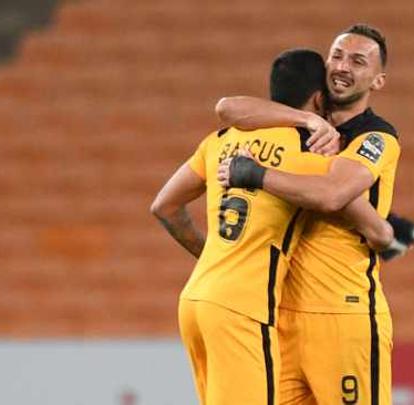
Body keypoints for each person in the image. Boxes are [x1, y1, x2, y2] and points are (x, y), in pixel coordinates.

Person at [151, 49, 393, 405]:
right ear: (318, 98)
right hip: (245, 308)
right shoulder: (308, 153)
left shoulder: (222, 140)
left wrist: (217, 258)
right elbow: (372, 227)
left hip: (196, 298)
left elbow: (164, 206)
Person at [218, 23, 411, 405]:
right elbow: (227, 108)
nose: (343, 66)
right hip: (283, 316)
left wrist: (257, 174)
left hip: (342, 312)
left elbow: (332, 194)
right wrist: (307, 120)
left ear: (378, 81)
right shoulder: (299, 126)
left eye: (358, 61)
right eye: (337, 56)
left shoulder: (376, 137)